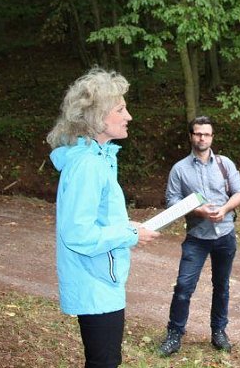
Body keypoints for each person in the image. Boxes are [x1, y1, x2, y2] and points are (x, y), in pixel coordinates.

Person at [48, 68, 159, 368]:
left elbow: (99, 219)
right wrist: (130, 234)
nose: (129, 116)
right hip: (95, 282)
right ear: (98, 116)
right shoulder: (87, 166)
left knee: (106, 360)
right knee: (104, 362)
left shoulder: (99, 158)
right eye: (120, 109)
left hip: (101, 279)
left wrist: (128, 228)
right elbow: (77, 233)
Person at [158, 116, 240, 357]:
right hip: (197, 236)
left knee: (222, 286)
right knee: (184, 287)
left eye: (206, 134)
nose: (202, 138)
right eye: (198, 134)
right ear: (191, 136)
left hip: (225, 234)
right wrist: (198, 211)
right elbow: (172, 201)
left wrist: (225, 209)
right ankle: (175, 334)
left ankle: (219, 331)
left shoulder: (224, 164)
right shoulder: (180, 169)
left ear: (212, 137)